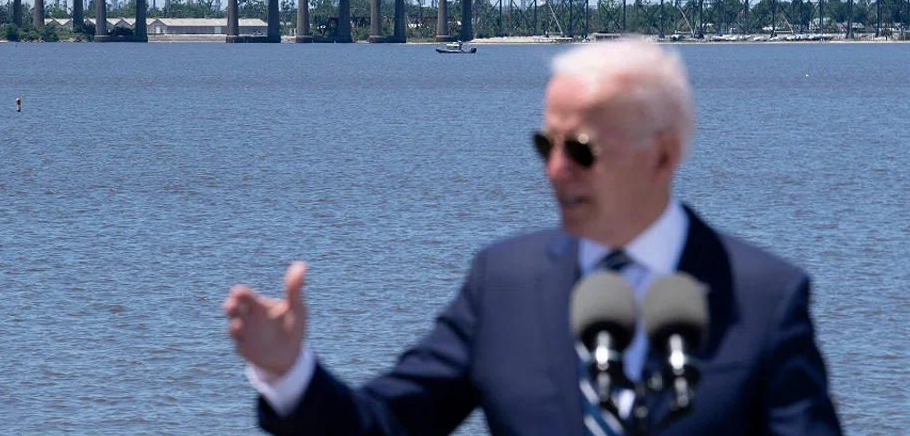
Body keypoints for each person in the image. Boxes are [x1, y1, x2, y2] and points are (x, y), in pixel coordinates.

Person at [224, 39, 842, 435]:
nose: (553, 171)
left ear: (663, 156)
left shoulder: (765, 299)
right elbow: (385, 425)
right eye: (546, 145)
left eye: (581, 150)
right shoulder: (503, 284)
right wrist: (289, 373)